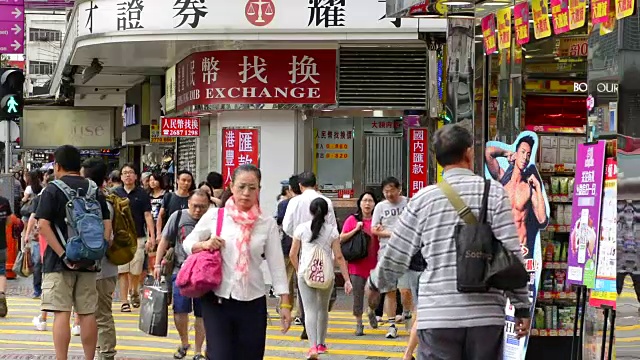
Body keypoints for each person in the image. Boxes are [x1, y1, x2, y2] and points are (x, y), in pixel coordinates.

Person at [367, 124, 531, 359]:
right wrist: (521, 306)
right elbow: (512, 255)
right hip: (485, 319)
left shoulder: (423, 199)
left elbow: (396, 254)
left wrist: (375, 284)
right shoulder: (493, 193)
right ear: (468, 152)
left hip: (438, 316)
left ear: (438, 159)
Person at [183, 164, 292, 360]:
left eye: (252, 187)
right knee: (220, 355)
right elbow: (188, 243)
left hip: (253, 301)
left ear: (259, 189)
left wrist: (285, 304)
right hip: (217, 300)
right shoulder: (216, 216)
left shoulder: (266, 223)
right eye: (241, 186)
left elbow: (277, 266)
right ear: (231, 186)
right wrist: (205, 244)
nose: (246, 193)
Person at [34, 145, 111, 360]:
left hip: (60, 264)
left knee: (61, 313)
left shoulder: (53, 188)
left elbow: (43, 225)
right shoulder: (93, 188)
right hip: (90, 261)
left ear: (57, 166)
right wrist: (98, 248)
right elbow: (107, 222)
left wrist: (63, 255)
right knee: (87, 313)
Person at [290, 197, 352, 359]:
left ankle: (312, 348)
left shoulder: (302, 229)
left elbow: (292, 254)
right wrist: (346, 279)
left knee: (309, 310)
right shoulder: (332, 231)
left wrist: (299, 271)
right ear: (326, 212)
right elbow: (339, 257)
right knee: (322, 309)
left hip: (306, 273)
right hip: (326, 274)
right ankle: (321, 344)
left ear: (311, 211)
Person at [154, 190, 210, 360]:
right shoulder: (178, 216)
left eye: (202, 207)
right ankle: (184, 342)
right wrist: (157, 264)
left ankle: (198, 351)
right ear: (188, 204)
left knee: (202, 314)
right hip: (180, 271)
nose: (198, 210)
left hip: (204, 273)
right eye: (195, 206)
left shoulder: (213, 220)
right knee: (179, 311)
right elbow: (164, 239)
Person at [282, 171, 338, 339]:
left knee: (304, 285)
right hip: (324, 250)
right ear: (316, 184)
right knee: (323, 290)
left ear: (300, 186)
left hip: (302, 248)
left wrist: (299, 237)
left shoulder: (294, 201)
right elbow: (333, 226)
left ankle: (307, 323)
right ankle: (319, 334)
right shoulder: (326, 201)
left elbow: (287, 226)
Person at [485, 135, 548, 255]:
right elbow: (488, 153)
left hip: (521, 249)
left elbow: (542, 219)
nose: (525, 157)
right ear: (516, 153)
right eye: (523, 152)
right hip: (501, 248)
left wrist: (538, 188)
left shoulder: (529, 188)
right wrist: (506, 153)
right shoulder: (503, 179)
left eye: (528, 154)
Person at [81, 157, 118, 360]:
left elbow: (107, 238)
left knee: (102, 314)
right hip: (104, 268)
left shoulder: (100, 202)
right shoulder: (100, 199)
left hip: (101, 268)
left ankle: (106, 354)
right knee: (97, 314)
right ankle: (101, 351)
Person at [369, 176, 410, 339]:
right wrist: (389, 233)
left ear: (399, 189)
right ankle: (392, 325)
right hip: (386, 252)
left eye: (391, 190)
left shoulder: (408, 203)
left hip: (407, 252)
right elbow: (374, 229)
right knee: (389, 290)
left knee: (406, 290)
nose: (389, 194)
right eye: (385, 191)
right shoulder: (380, 207)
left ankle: (407, 313)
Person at [114, 164, 155, 312]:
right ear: (121, 176)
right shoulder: (115, 193)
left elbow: (147, 215)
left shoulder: (142, 194)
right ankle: (124, 301)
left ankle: (135, 290)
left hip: (138, 237)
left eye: (130, 172)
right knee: (123, 270)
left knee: (136, 270)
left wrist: (152, 236)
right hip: (120, 238)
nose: (127, 175)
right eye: (124, 173)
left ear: (136, 176)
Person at [340, 191, 379, 336]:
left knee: (375, 295)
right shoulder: (352, 219)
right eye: (365, 200)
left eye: (370, 201)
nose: (367, 204)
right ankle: (359, 324)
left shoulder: (378, 220)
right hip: (357, 264)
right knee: (357, 295)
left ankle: (372, 310)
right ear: (360, 203)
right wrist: (356, 229)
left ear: (375, 204)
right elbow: (341, 238)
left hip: (375, 264)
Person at [276, 175, 302, 320]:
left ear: (290, 188)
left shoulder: (284, 204)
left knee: (287, 279)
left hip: (287, 245)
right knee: (302, 281)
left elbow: (280, 222)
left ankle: (286, 309)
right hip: (304, 246)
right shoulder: (310, 202)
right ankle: (300, 313)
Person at [156, 170, 195, 240]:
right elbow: (160, 216)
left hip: (188, 236)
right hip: (170, 235)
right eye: (183, 180)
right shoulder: (169, 196)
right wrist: (159, 234)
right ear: (177, 180)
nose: (186, 183)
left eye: (189, 181)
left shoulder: (193, 198)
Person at [0, 192, 13, 317]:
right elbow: (9, 221)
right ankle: (1, 293)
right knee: (1, 271)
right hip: (1, 243)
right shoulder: (4, 201)